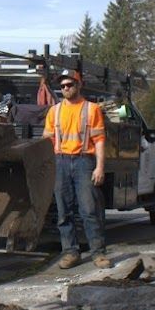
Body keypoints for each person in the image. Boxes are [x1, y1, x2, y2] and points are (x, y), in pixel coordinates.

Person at [43, 68, 112, 269]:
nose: (66, 88)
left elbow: (99, 141)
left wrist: (99, 167)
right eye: (62, 86)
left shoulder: (92, 110)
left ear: (78, 85)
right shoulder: (54, 111)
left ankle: (98, 253)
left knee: (89, 210)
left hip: (84, 161)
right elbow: (47, 141)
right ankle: (71, 252)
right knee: (64, 212)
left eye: (69, 84)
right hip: (61, 162)